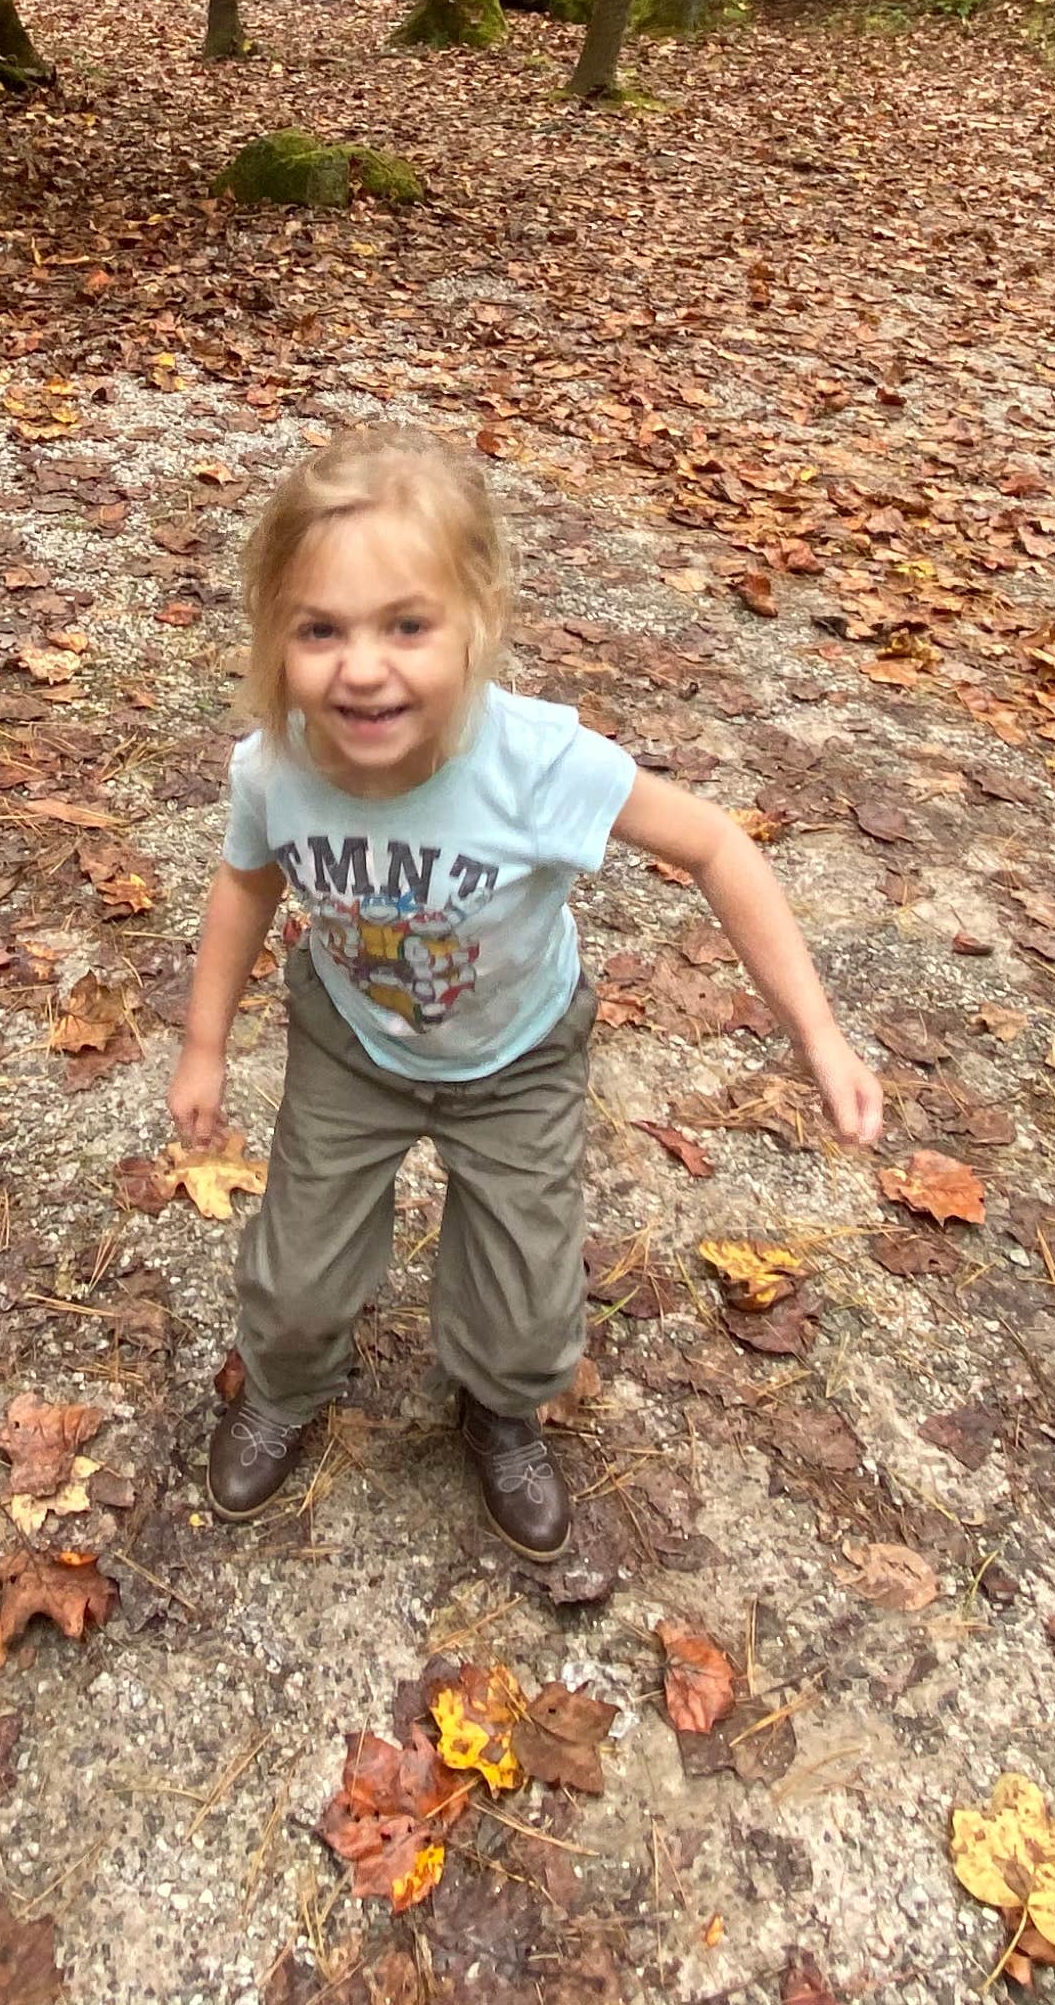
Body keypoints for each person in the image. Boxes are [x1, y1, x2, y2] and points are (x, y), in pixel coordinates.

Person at [168, 424, 885, 1559]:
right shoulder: (278, 767)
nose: (362, 666)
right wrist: (203, 1044)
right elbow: (244, 888)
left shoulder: (538, 765)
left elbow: (714, 847)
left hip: (518, 1057)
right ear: (275, 637)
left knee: (524, 1307)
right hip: (352, 1043)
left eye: (406, 624)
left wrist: (822, 1034)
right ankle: (285, 1386)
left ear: (477, 617)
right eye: (321, 630)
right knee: (298, 1276)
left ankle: (499, 1404)